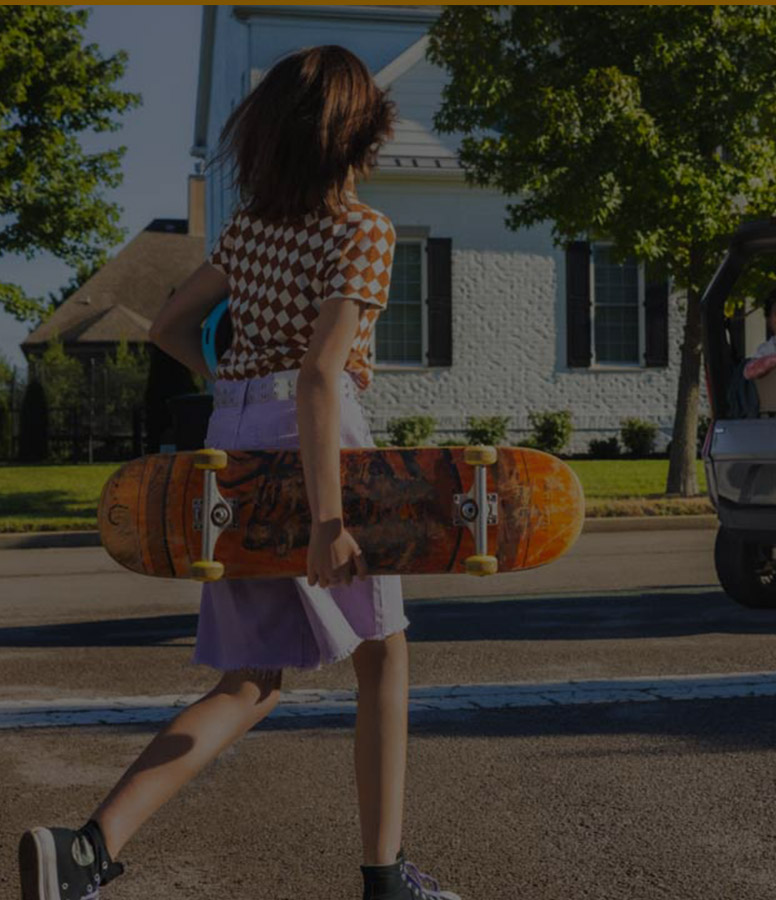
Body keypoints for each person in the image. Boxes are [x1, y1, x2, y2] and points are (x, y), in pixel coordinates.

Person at [18, 47, 461, 900]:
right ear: (359, 139)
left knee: (251, 682)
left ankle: (86, 852)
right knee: (383, 655)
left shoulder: (250, 227)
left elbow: (170, 326)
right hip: (317, 439)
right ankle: (386, 876)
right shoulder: (362, 230)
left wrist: (229, 383)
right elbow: (322, 376)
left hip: (237, 440)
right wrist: (329, 521)